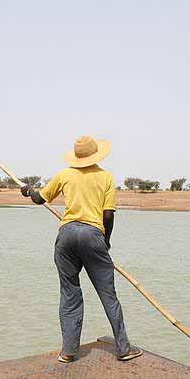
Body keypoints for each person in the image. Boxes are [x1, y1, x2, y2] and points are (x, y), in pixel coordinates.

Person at [21, 136, 142, 363]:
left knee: (69, 294)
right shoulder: (105, 177)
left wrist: (28, 191)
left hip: (66, 236)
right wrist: (105, 241)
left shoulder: (64, 174)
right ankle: (124, 349)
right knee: (108, 294)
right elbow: (108, 214)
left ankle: (68, 352)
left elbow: (40, 198)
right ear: (96, 155)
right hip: (92, 235)